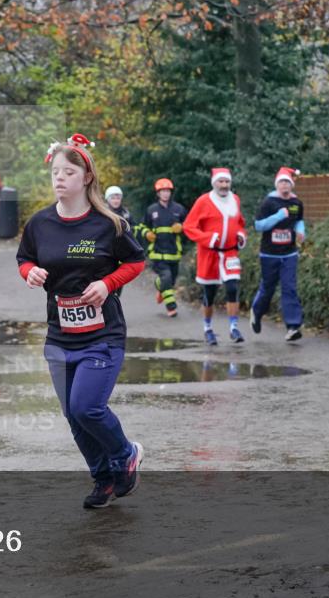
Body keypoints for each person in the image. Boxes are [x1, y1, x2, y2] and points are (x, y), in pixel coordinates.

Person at [16, 133, 146, 510]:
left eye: (68, 172)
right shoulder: (39, 223)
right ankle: (103, 478)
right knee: (73, 416)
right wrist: (31, 273)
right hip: (60, 334)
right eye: (56, 172)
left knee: (86, 406)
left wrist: (107, 284)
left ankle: (125, 454)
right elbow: (25, 258)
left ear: (86, 177)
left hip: (103, 334)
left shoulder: (109, 223)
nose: (59, 178)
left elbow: (135, 263)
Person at [182, 167, 247, 345]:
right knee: (209, 294)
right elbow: (188, 226)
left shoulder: (235, 199)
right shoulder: (204, 201)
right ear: (214, 183)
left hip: (230, 254)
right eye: (221, 181)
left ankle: (234, 328)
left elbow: (240, 223)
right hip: (209, 254)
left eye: (227, 182)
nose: (224, 185)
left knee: (232, 288)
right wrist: (208, 238)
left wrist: (241, 235)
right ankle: (207, 328)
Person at [250, 167, 306, 341]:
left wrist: (301, 231)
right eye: (282, 182)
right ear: (277, 185)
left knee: (289, 288)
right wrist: (278, 216)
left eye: (287, 183)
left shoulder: (297, 203)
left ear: (292, 185)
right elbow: (259, 226)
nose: (285, 186)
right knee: (268, 288)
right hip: (269, 254)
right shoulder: (269, 202)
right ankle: (256, 312)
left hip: (289, 253)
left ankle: (293, 326)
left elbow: (298, 221)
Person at [136, 178, 187, 318]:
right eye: (162, 191)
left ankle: (161, 287)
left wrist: (182, 227)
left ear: (171, 193)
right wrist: (147, 233)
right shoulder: (151, 210)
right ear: (158, 193)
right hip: (156, 253)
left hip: (174, 253)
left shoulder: (179, 209)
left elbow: (190, 226)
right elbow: (141, 227)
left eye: (167, 191)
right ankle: (171, 307)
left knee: (170, 281)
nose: (165, 194)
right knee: (166, 276)